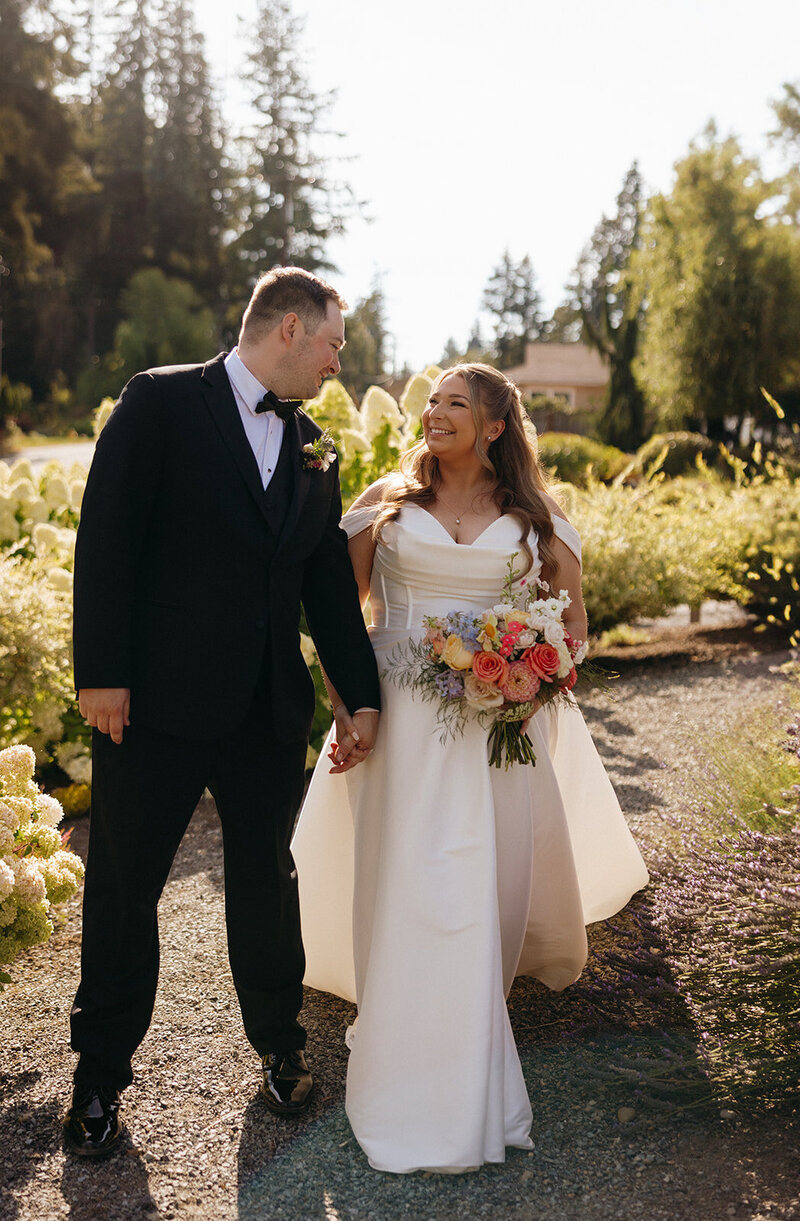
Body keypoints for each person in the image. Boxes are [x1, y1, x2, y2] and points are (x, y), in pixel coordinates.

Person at [291, 363, 649, 1174]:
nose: (435, 413)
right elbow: (337, 610)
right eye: (431, 402)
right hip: (399, 715)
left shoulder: (534, 516)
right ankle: (398, 1012)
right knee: (402, 870)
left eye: (456, 402)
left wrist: (528, 672)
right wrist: (346, 703)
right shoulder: (387, 503)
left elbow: (574, 628)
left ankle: (466, 1021)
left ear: (494, 425)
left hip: (494, 720)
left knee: (476, 875)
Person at [63, 267, 381, 1157]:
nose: (337, 359)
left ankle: (280, 1046)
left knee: (266, 883)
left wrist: (360, 698)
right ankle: (98, 1078)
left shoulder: (317, 447)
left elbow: (325, 587)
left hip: (262, 707)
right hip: (152, 703)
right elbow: (108, 534)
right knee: (126, 886)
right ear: (288, 328)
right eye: (332, 342)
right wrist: (103, 673)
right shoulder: (160, 403)